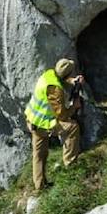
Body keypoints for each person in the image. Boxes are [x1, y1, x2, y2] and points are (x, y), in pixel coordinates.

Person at [25, 58, 84, 192]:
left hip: (32, 121)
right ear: (66, 74)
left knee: (39, 154)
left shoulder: (48, 75)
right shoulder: (55, 90)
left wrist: (72, 81)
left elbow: (60, 79)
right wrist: (74, 107)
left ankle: (39, 187)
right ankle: (70, 164)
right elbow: (62, 115)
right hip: (44, 124)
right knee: (72, 127)